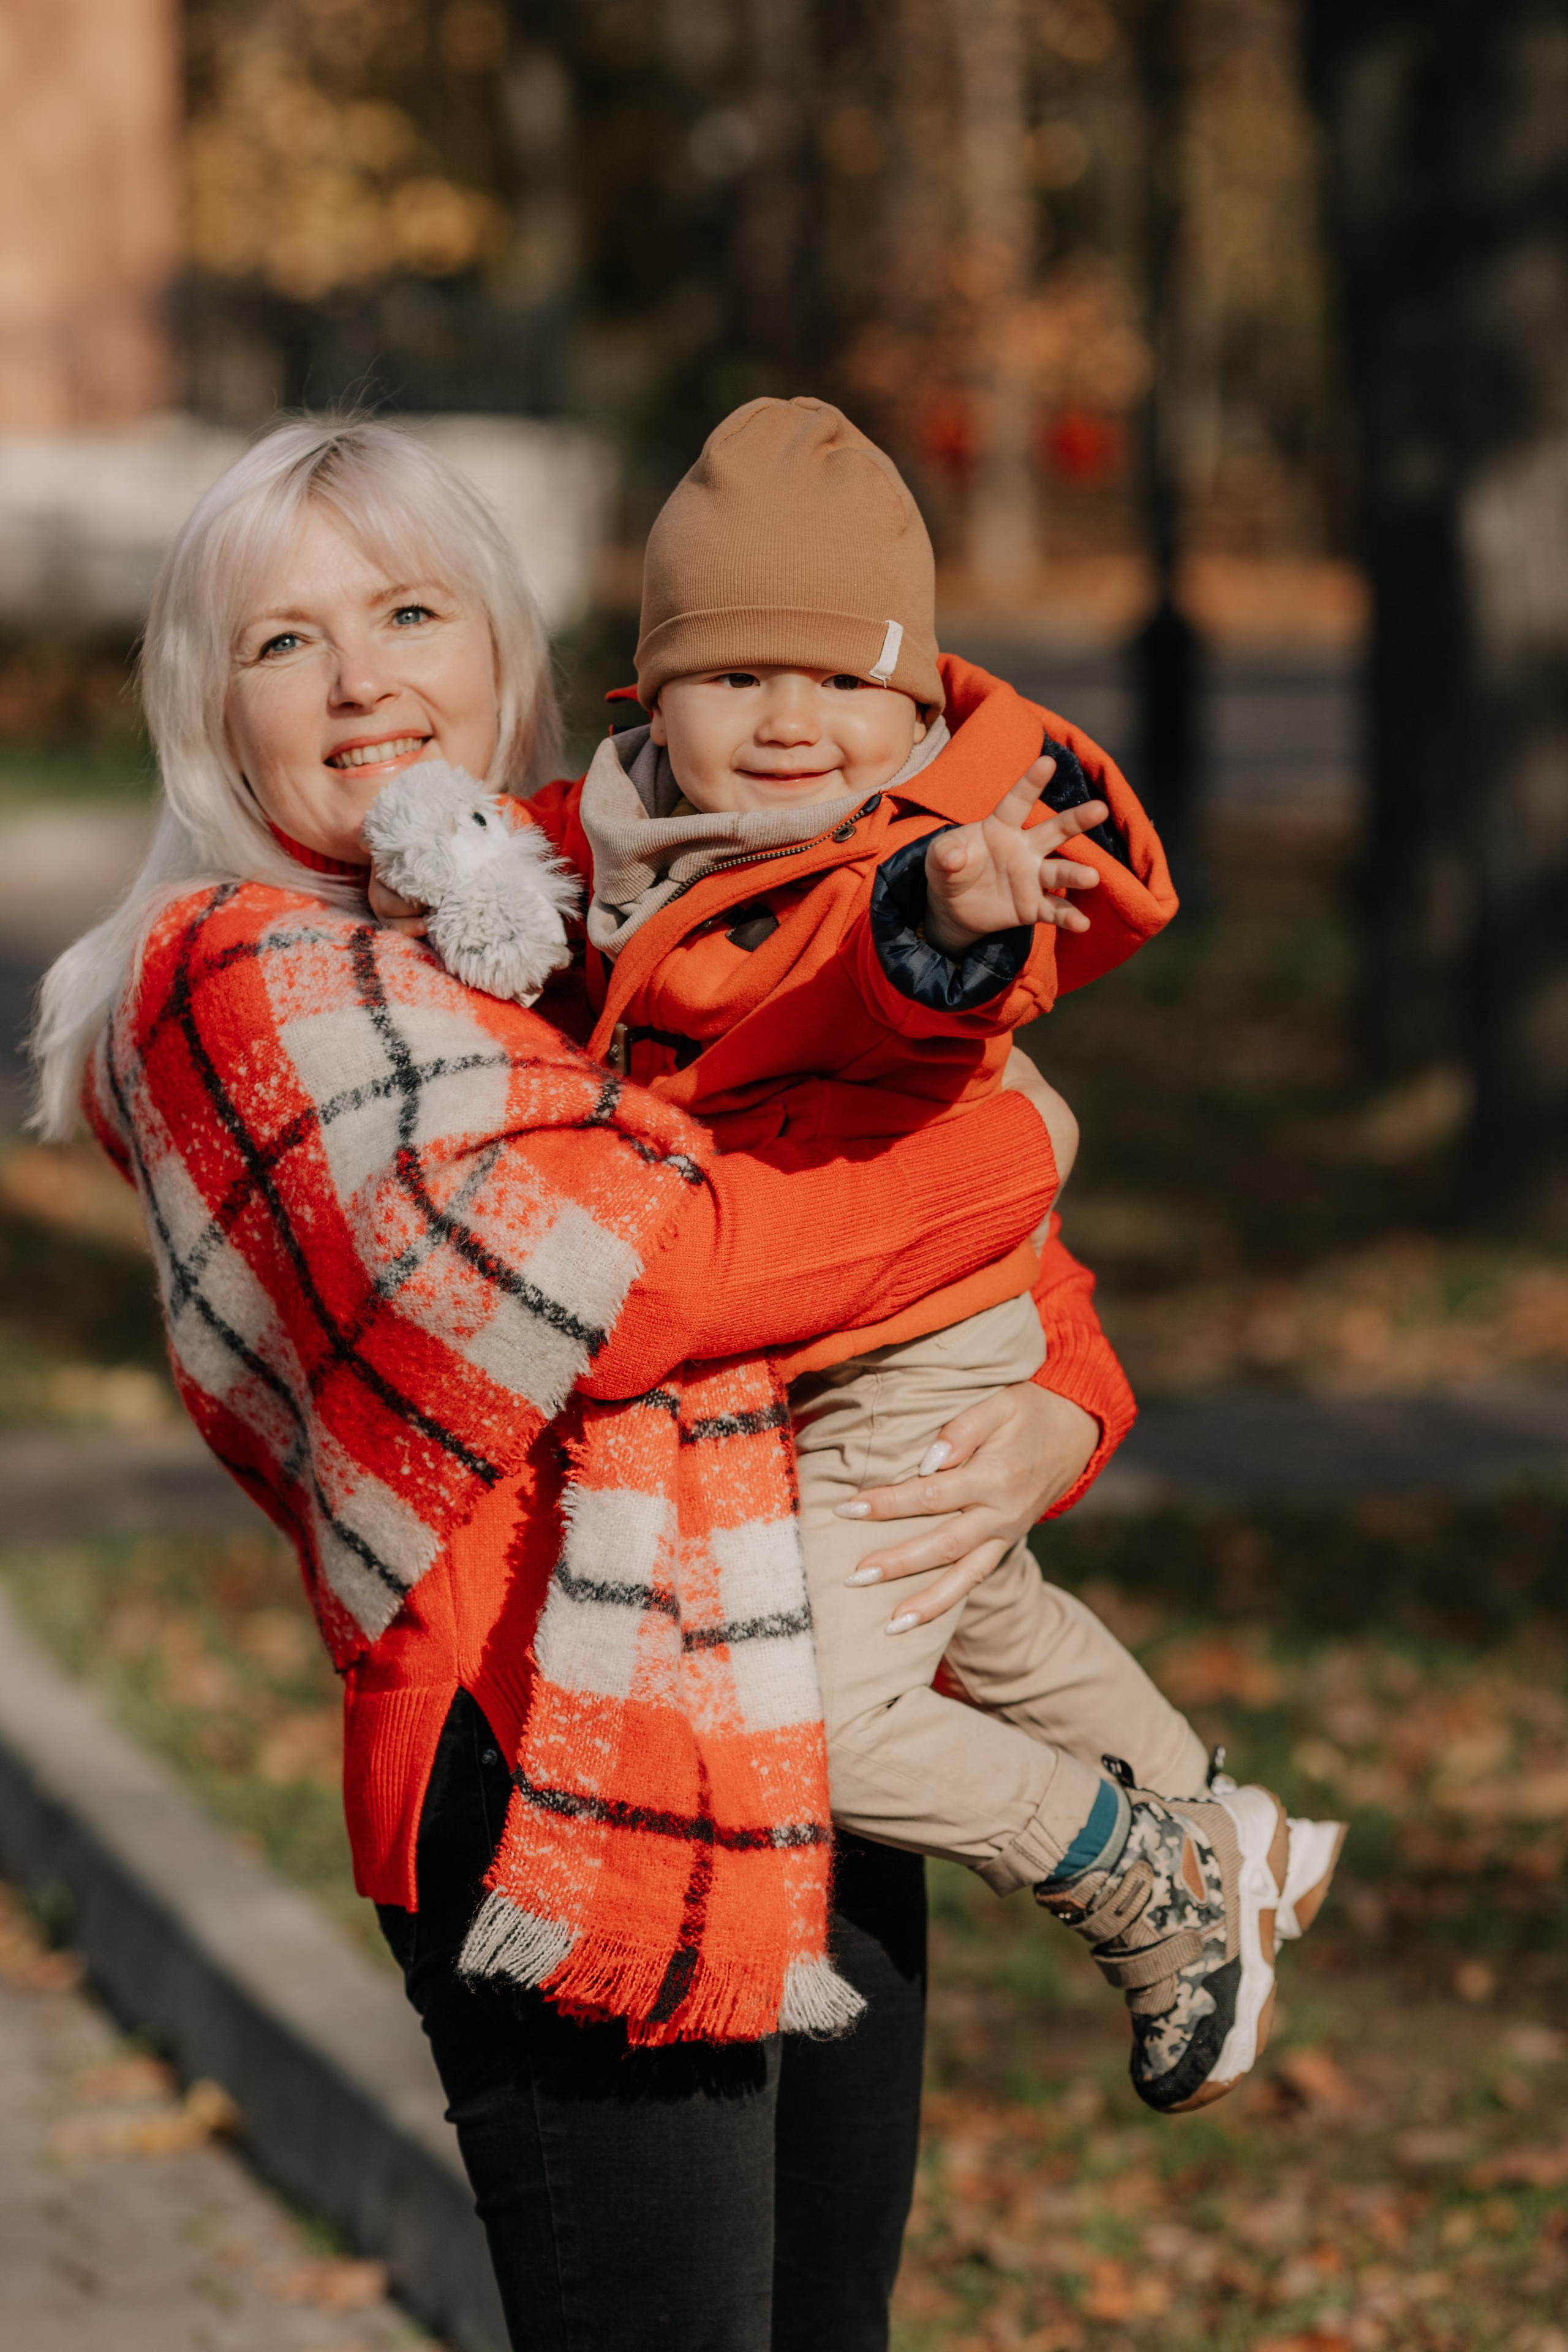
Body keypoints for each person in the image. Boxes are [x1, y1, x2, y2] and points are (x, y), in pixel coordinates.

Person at [32, 415, 1139, 2351]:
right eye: (285, 643)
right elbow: (653, 1268)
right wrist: (1026, 1153)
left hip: (803, 1704)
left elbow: (861, 1148)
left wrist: (1068, 1392)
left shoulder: (565, 930)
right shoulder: (240, 978)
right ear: (209, 707)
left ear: (503, 647)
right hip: (561, 1774)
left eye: (408, 609)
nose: (365, 676)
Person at [369, 396, 1344, 2117]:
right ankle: (1219, 1820)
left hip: (906, 1340)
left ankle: (1130, 1868)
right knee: (982, 1602)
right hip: (875, 1324)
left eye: (842, 682)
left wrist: (954, 918)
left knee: (821, 1690)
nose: (791, 721)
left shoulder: (888, 860)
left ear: (913, 706)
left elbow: (869, 980)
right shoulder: (625, 848)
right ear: (650, 694)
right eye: (738, 677)